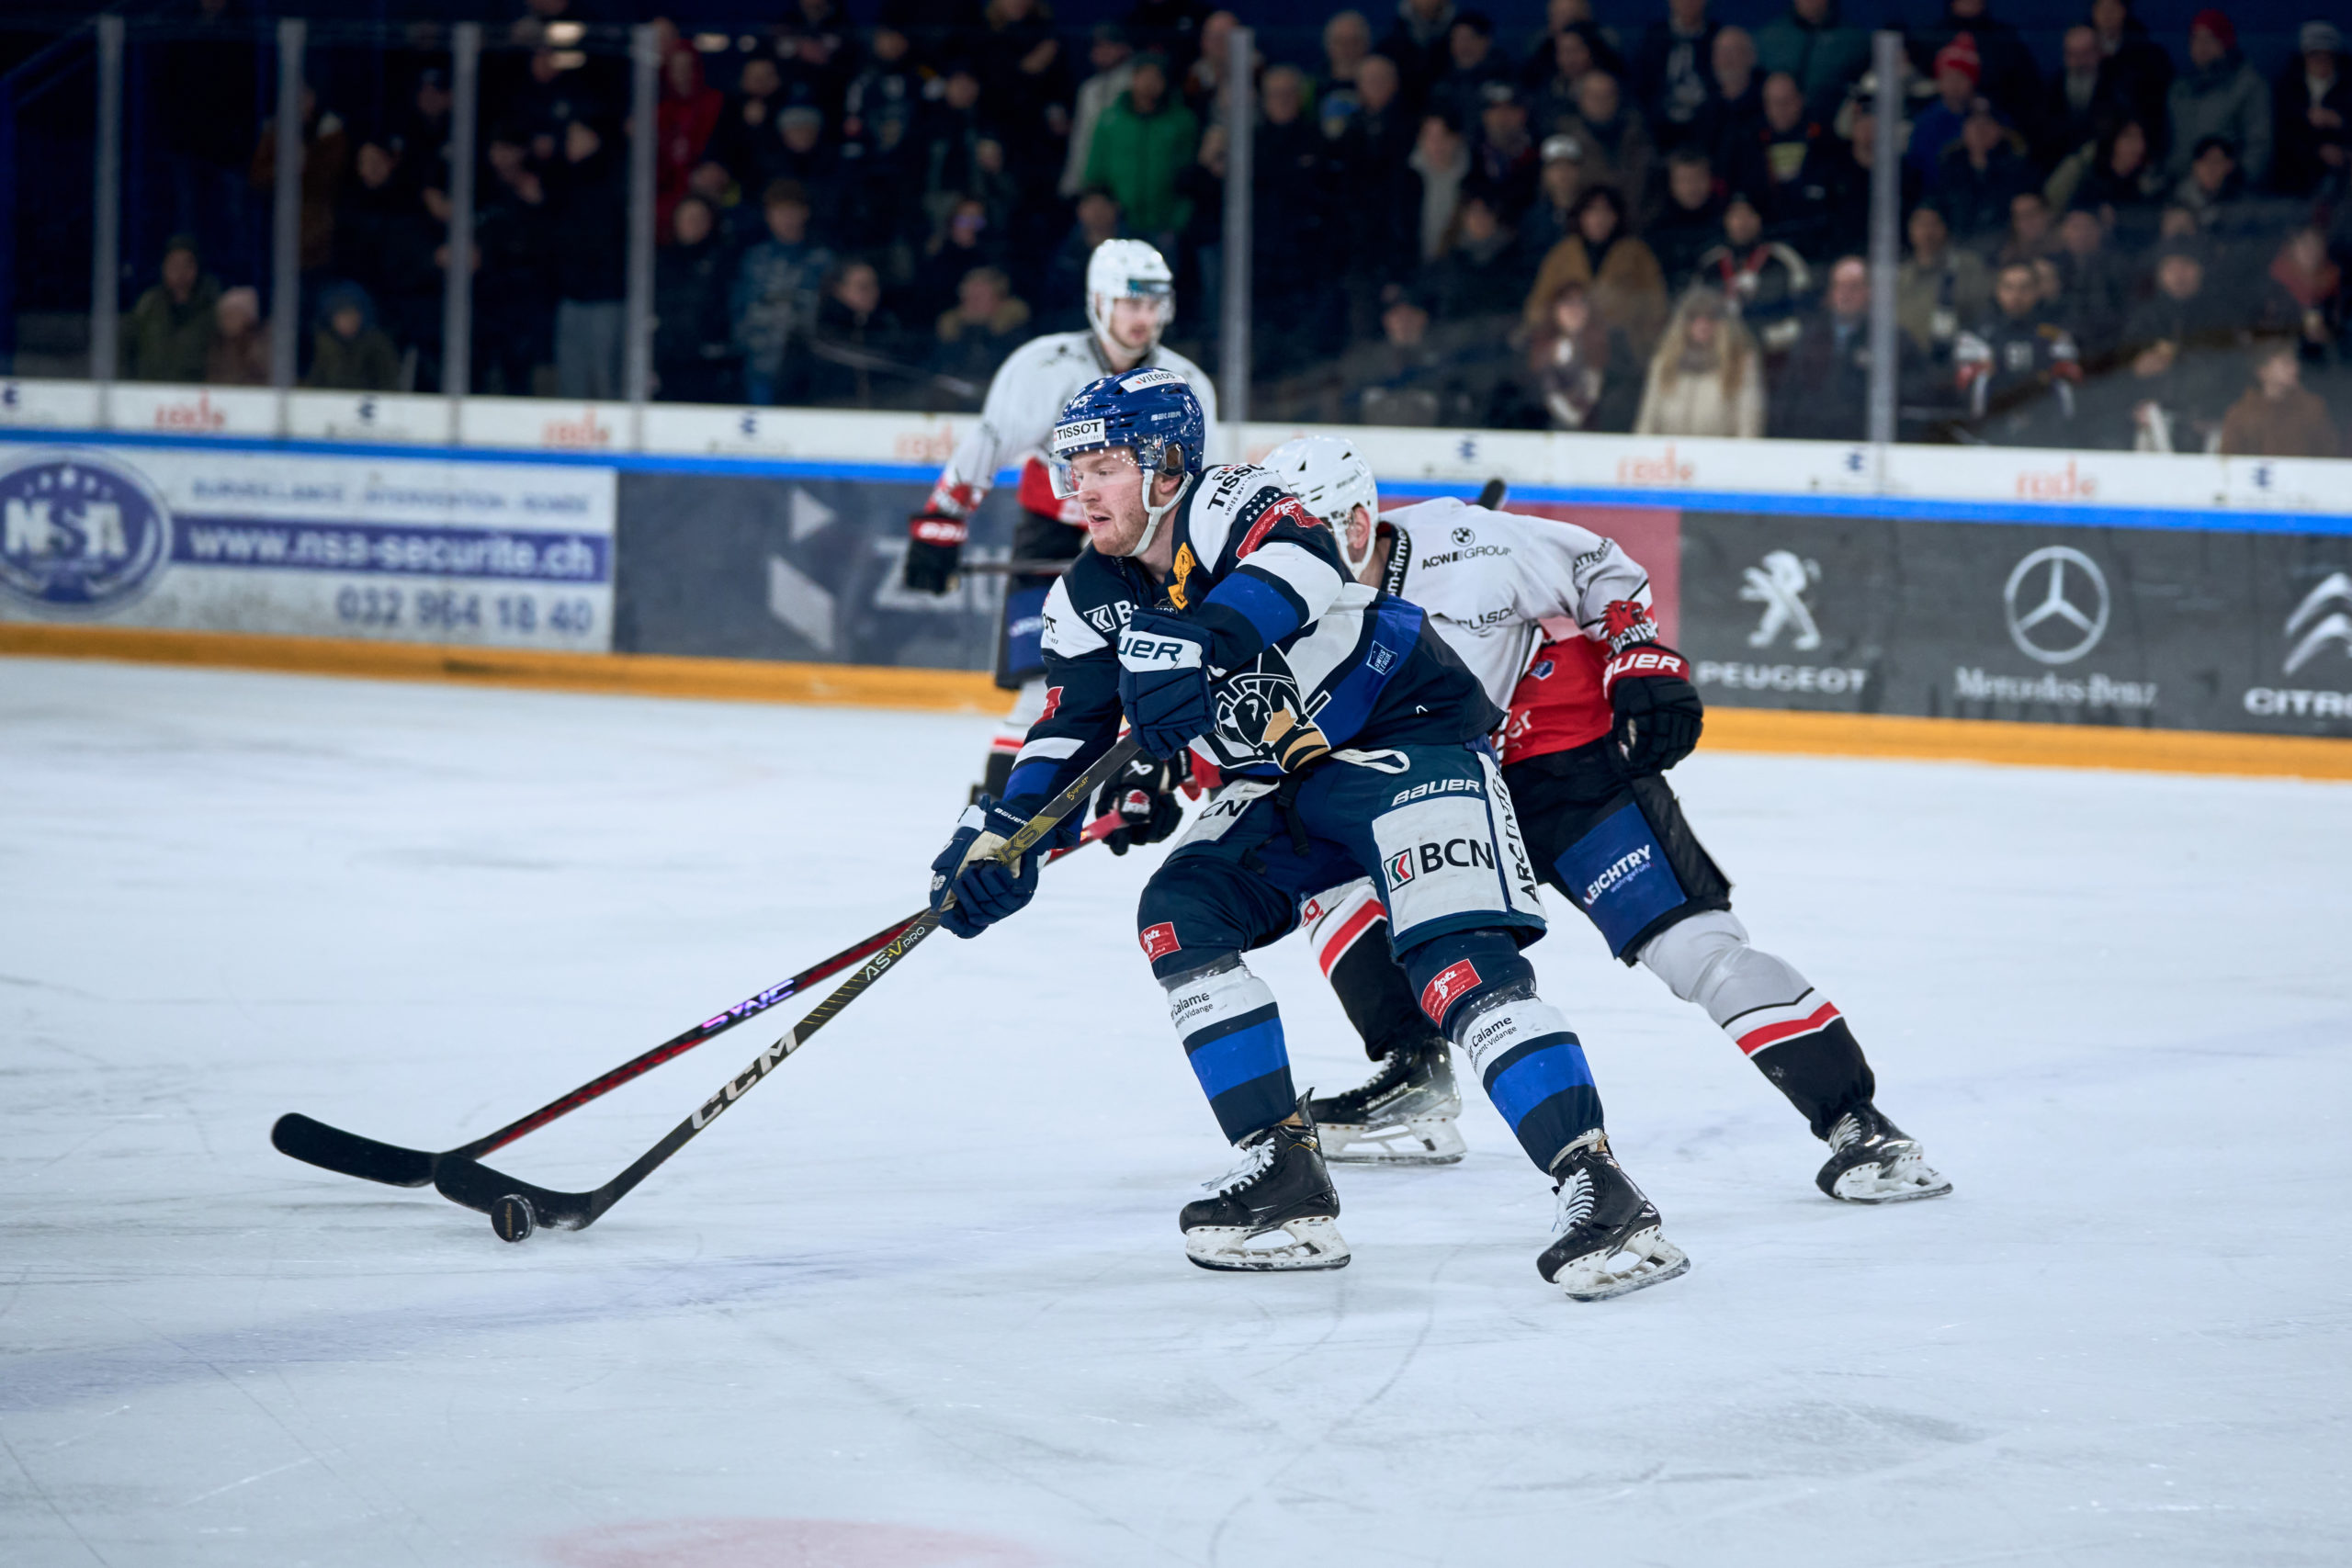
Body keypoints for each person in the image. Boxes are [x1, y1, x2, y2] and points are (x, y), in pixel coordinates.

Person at [929, 374, 1692, 1300]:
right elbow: (1067, 727)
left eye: (1101, 468)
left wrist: (1200, 640)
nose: (1076, 491)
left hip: (1408, 734)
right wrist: (1000, 837)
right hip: (1283, 778)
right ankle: (1284, 1177)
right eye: (1071, 469)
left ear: (1167, 466)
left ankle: (1599, 1191)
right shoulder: (1089, 591)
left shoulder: (1232, 500)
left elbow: (1300, 563)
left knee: (1456, 967)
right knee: (1181, 910)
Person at [1256, 434, 1950, 1207]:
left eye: (1302, 536)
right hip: (1442, 786)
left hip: (1565, 767)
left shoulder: (1469, 539)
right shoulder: (1275, 597)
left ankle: (1858, 1122)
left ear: (1356, 524)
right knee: (1325, 869)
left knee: (1696, 950)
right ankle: (1416, 1072)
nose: (1282, 561)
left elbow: (1599, 568)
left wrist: (1635, 653)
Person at [899, 240, 1216, 799]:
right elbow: (991, 444)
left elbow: (1193, 480)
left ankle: (1145, 782)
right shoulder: (1044, 365)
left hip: (1138, 547)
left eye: (1152, 305)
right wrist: (942, 519)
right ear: (1098, 301)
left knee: (1153, 671)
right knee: (1038, 689)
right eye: (1129, 304)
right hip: (1051, 533)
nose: (1143, 319)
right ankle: (1003, 806)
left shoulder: (1184, 381)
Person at [1521, 184, 1666, 353]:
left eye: (1607, 212)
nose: (1599, 218)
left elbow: (1657, 304)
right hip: (1571, 348)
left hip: (1625, 347)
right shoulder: (1562, 255)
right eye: (1592, 211)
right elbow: (1537, 305)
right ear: (1581, 216)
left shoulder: (1637, 254)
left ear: (1617, 216)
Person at [731, 180, 836, 407]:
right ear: (768, 215)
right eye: (779, 211)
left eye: (792, 211)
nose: (786, 218)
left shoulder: (821, 260)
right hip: (760, 366)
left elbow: (828, 312)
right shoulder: (754, 259)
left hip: (808, 367)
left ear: (805, 213)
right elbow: (739, 307)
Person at [1954, 259, 2082, 444]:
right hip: (1987, 438)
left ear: (2037, 291)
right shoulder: (1976, 336)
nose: (2016, 295)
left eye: (2025, 288)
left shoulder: (2056, 335)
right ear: (1997, 291)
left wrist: (1998, 373)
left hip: (2047, 438)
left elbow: (2069, 390)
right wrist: (2039, 377)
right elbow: (1966, 393)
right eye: (2009, 287)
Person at [1083, 51, 1199, 249]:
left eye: (1156, 76)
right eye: (1143, 75)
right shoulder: (1111, 119)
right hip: (1120, 222)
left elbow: (1189, 173)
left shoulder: (1181, 121)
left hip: (1164, 224)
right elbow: (1095, 170)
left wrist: (1178, 219)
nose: (1149, 83)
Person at [1634, 287, 1764, 436]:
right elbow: (1648, 418)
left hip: (1721, 453)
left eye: (1711, 317)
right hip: (1671, 452)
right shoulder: (1665, 362)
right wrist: (1641, 451)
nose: (1702, 324)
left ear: (1722, 323)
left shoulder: (1739, 363)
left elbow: (1748, 422)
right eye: (1694, 317)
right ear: (1683, 322)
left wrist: (1745, 456)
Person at [1692, 192, 1811, 355]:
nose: (1742, 223)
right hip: (1720, 354)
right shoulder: (1710, 265)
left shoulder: (1782, 259)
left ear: (1759, 218)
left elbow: (1804, 314)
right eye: (1735, 216)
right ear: (1726, 221)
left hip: (1773, 354)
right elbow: (1694, 313)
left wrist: (1764, 338)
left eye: (1748, 215)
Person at [2165, 9, 2270, 186]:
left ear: (2226, 43)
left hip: (2230, 198)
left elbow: (2258, 146)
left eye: (2209, 39)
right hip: (2181, 195)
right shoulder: (2179, 89)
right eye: (2196, 39)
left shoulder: (2248, 85)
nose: (2201, 47)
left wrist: (2237, 181)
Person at [651, 196, 739, 404]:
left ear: (710, 223)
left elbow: (731, 312)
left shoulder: (724, 262)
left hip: (710, 366)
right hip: (668, 365)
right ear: (676, 222)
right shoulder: (660, 262)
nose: (693, 224)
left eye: (700, 218)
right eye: (687, 217)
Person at [1524, 279, 1642, 431]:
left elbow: (1623, 393)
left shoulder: (1611, 346)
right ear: (1554, 310)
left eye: (1581, 302)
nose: (1575, 309)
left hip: (1600, 435)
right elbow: (1532, 400)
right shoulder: (1538, 348)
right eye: (1567, 303)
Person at [1895, 203, 1989, 367]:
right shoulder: (1899, 277)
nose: (1927, 232)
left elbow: (1981, 315)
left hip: (1954, 366)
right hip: (1907, 367)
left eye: (1933, 224)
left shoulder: (1966, 267)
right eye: (1921, 224)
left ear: (1945, 227)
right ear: (1910, 229)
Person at [121, 236, 221, 383]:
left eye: (187, 266)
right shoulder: (147, 306)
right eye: (174, 265)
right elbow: (125, 350)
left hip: (197, 399)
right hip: (149, 394)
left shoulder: (214, 309)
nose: (180, 273)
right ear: (163, 267)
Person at [2219, 338, 2339, 456]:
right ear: (2263, 370)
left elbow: (2330, 457)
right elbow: (2230, 462)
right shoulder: (2240, 414)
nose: (2295, 368)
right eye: (2285, 363)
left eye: (2294, 362)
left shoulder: (2312, 409)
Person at [2273, 21, 2348, 199]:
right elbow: (2282, 135)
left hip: (2342, 181)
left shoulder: (2348, 87)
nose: (2321, 62)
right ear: (2305, 56)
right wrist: (2317, 150)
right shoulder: (2288, 88)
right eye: (2315, 55)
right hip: (2295, 180)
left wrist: (2341, 122)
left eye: (2327, 56)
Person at [303, 283, 401, 391]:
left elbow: (390, 384)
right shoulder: (321, 346)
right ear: (331, 318)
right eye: (342, 316)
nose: (349, 321)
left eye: (352, 314)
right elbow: (313, 384)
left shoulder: (377, 345)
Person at [206, 286, 271, 386]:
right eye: (223, 316)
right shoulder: (219, 346)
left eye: (231, 315)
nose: (225, 321)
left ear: (247, 318)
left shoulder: (265, 345)